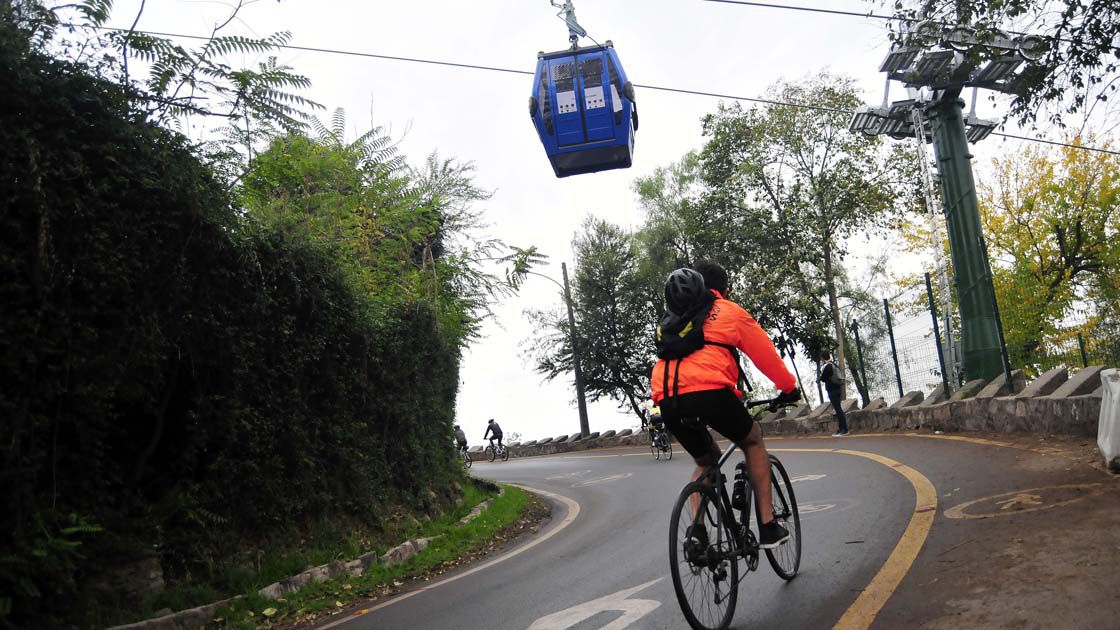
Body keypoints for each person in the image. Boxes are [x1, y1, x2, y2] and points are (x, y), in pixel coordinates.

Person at [652, 261, 801, 550]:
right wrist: (788, 388)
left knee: (705, 461)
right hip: (711, 393)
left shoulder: (672, 320)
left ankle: (696, 532)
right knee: (753, 440)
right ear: (724, 289)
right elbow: (766, 356)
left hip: (667, 399)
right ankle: (768, 527)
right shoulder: (729, 311)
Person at [818, 352, 850, 436]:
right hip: (837, 388)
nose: (820, 361)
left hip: (832, 390)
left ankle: (844, 430)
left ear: (823, 359)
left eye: (821, 359)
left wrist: (822, 373)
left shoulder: (827, 366)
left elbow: (823, 379)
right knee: (838, 409)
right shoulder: (833, 364)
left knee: (838, 409)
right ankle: (841, 429)